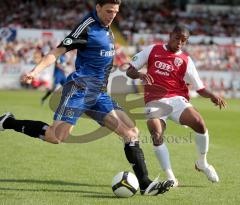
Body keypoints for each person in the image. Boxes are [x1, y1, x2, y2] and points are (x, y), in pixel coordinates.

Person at [0, 0, 173, 195]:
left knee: (131, 132)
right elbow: (57, 51)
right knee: (56, 137)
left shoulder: (108, 30)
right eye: (108, 11)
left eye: (115, 12)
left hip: (99, 94)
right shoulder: (86, 27)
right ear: (97, 7)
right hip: (79, 90)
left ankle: (145, 184)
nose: (112, 15)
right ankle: (9, 122)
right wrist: (35, 71)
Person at [126, 24, 227, 187]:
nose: (180, 42)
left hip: (176, 99)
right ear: (170, 35)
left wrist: (213, 96)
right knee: (155, 131)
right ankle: (171, 176)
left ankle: (202, 163)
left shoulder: (186, 60)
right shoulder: (153, 50)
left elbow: (199, 87)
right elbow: (129, 71)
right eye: (177, 38)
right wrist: (140, 74)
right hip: (154, 100)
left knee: (200, 124)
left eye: (184, 40)